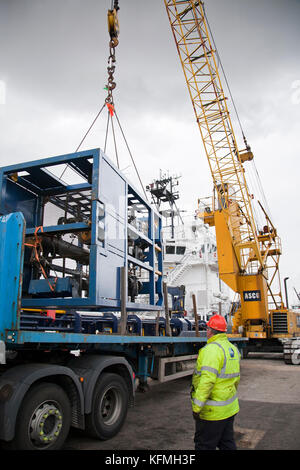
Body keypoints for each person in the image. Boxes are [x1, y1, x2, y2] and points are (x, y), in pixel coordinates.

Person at [191, 314, 240, 450]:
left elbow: (207, 382)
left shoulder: (211, 350)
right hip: (229, 409)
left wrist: (197, 408)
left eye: (207, 329)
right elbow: (236, 380)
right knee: (227, 443)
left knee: (204, 445)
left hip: (213, 413)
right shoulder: (233, 349)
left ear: (210, 331)